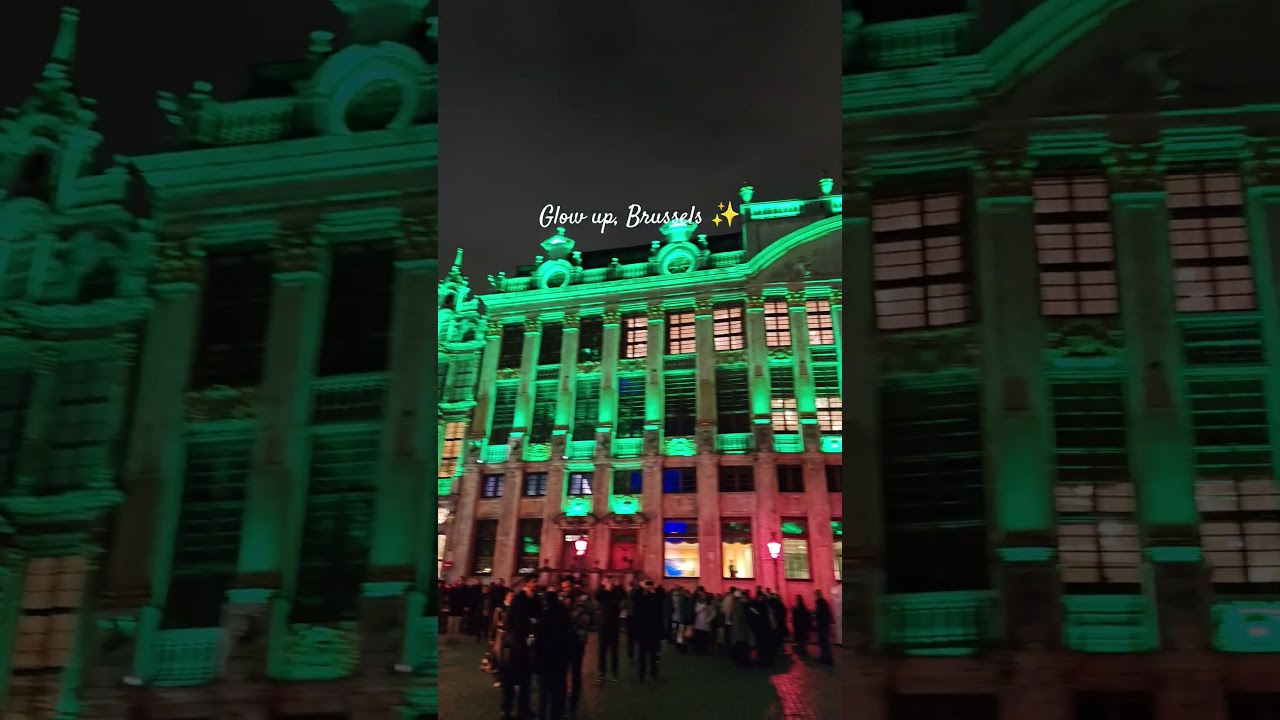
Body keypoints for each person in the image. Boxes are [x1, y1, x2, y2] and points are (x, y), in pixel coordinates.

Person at [500, 582, 538, 720]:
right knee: (513, 680)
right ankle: (508, 709)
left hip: (522, 648)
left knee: (523, 680)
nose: (533, 591)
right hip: (516, 647)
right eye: (531, 588)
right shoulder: (519, 603)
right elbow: (512, 624)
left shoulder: (531, 603)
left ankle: (519, 708)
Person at [535, 589, 571, 720]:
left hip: (545, 659)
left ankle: (542, 715)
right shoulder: (563, 615)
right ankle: (556, 714)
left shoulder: (544, 617)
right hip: (560, 659)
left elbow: (538, 639)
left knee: (543, 691)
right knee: (557, 690)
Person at [633, 580, 663, 682]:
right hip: (643, 630)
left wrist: (655, 591)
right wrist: (641, 588)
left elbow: (661, 601)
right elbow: (635, 596)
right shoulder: (639, 597)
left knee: (653, 655)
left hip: (653, 630)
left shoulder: (655, 597)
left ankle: (653, 675)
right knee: (642, 654)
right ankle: (642, 675)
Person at [595, 577, 624, 680]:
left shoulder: (616, 593)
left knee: (614, 651)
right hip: (603, 624)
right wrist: (602, 586)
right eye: (608, 582)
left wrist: (619, 586)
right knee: (602, 650)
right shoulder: (602, 594)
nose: (610, 584)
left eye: (611, 582)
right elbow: (597, 596)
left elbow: (623, 595)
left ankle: (614, 672)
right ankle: (601, 672)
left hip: (613, 625)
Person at [814, 589, 834, 664]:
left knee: (823, 642)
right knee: (824, 641)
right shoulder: (823, 603)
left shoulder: (820, 603)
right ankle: (825, 656)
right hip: (824, 625)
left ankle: (826, 657)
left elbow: (821, 615)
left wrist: (818, 622)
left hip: (822, 626)